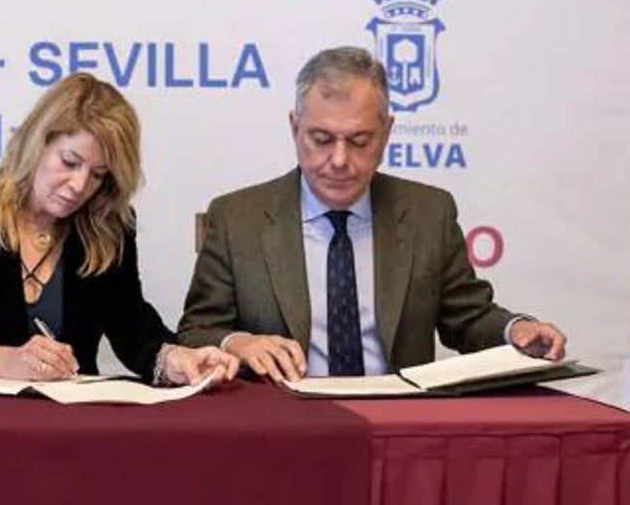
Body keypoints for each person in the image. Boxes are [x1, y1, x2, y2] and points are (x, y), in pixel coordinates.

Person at [178, 46, 566, 382]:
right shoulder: (237, 218)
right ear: (295, 128)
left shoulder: (428, 213)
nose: (340, 161)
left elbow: (467, 317)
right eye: (322, 139)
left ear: (387, 133)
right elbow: (196, 331)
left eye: (360, 141)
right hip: (284, 427)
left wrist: (516, 330)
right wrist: (237, 342)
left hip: (399, 428)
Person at [0, 72, 236, 386]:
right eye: (69, 162)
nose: (79, 185)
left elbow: (132, 327)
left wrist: (172, 359)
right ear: (37, 144)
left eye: (98, 174)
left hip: (72, 427)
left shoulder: (107, 227)